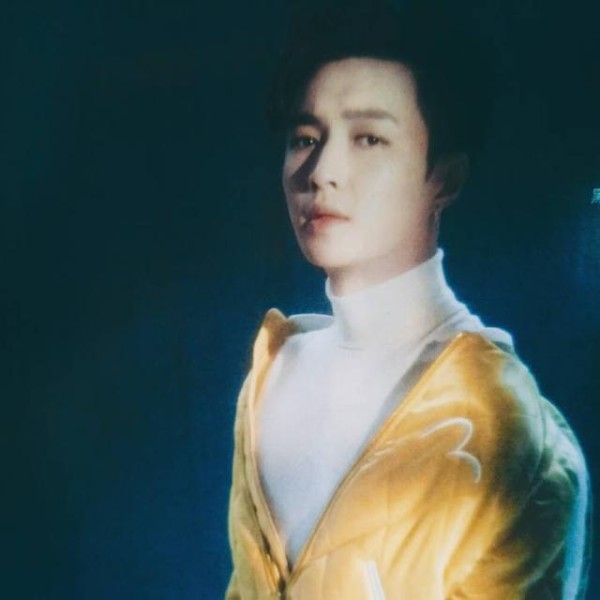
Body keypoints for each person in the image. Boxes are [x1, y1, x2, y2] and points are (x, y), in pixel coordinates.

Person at [225, 1, 590, 598]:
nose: (322, 171)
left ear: (445, 177)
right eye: (305, 137)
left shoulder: (513, 430)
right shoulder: (272, 371)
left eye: (369, 138)